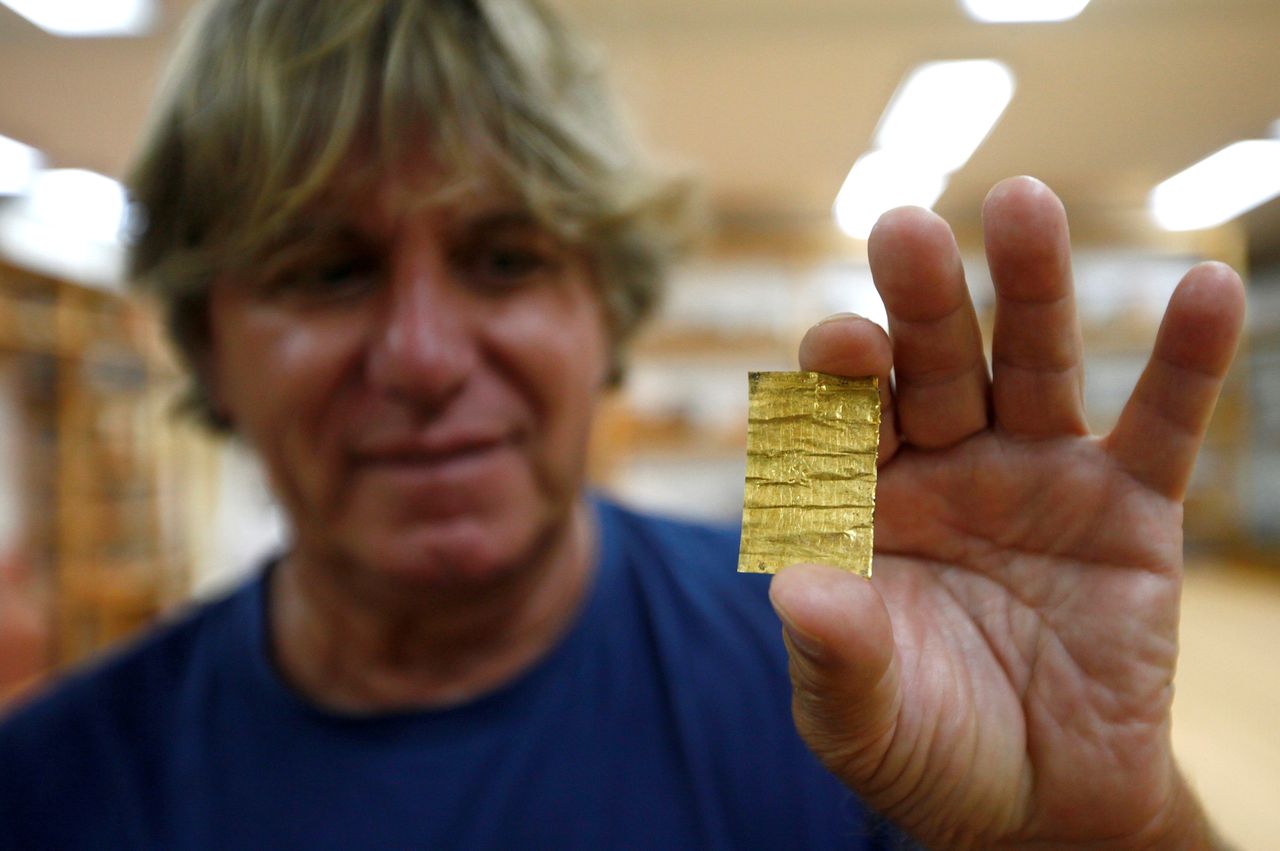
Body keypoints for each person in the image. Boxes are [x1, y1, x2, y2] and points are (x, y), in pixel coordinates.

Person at [0, 0, 1245, 848]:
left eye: (501, 257)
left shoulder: (864, 680)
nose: (427, 358)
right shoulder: (50, 788)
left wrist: (1110, 831)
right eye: (325, 271)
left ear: (608, 309)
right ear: (207, 342)